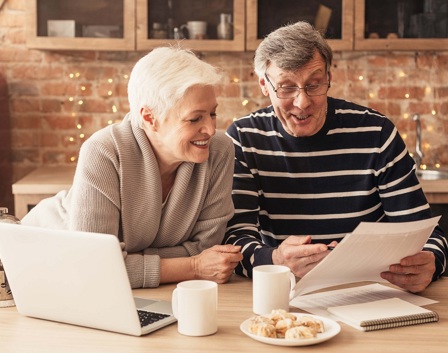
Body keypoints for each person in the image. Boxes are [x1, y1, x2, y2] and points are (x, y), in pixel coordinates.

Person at [224, 21, 447, 293]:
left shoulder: (376, 133)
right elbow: (235, 240)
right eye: (286, 87)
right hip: (285, 292)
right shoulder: (244, 137)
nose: (302, 102)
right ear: (264, 85)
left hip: (371, 291)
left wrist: (432, 261)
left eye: (314, 84)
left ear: (329, 78)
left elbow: (423, 233)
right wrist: (275, 260)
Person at [22, 47, 242, 288]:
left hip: (141, 287)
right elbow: (93, 267)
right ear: (149, 118)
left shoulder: (219, 150)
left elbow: (207, 248)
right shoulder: (103, 151)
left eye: (212, 114)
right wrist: (193, 266)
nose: (210, 129)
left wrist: (125, 261)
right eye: (195, 118)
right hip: (43, 267)